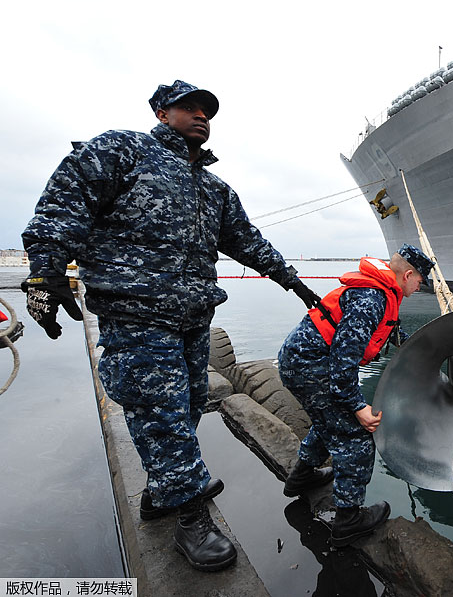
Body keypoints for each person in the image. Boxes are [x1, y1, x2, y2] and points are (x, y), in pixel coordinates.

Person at [20, 80, 323, 572]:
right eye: (190, 107)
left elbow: (247, 241)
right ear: (162, 112)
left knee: (187, 405)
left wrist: (295, 283)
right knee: (162, 411)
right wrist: (45, 270)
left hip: (192, 318)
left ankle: (162, 491)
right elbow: (66, 201)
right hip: (135, 313)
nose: (202, 115)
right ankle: (191, 516)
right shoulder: (123, 150)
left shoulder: (213, 189)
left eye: (208, 111)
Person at [277, 244, 434, 547]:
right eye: (420, 281)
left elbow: (381, 337)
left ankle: (301, 477)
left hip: (302, 361)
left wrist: (426, 351)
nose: (419, 287)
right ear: (408, 275)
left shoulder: (381, 294)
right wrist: (357, 406)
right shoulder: (372, 299)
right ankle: (348, 519)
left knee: (329, 421)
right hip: (311, 367)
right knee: (355, 436)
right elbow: (343, 359)